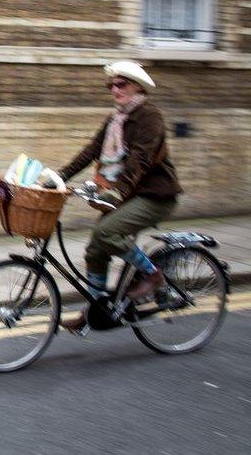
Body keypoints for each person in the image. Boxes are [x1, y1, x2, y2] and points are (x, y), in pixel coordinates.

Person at [55, 61, 182, 335]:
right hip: (128, 195)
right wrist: (58, 177)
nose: (114, 90)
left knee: (106, 232)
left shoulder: (150, 116)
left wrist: (117, 192)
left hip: (155, 195)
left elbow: (140, 160)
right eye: (111, 85)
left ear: (138, 86)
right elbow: (91, 150)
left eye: (121, 84)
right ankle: (94, 311)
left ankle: (153, 275)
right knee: (95, 249)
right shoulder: (117, 118)